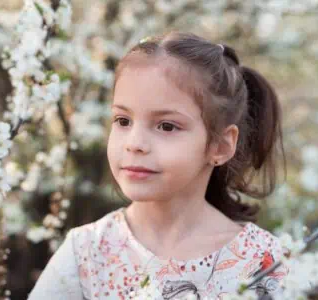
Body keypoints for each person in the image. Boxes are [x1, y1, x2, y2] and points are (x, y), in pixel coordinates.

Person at [28, 31, 290, 300]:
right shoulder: (86, 253)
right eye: (122, 121)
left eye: (166, 126)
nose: (135, 143)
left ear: (220, 146)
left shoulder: (261, 260)